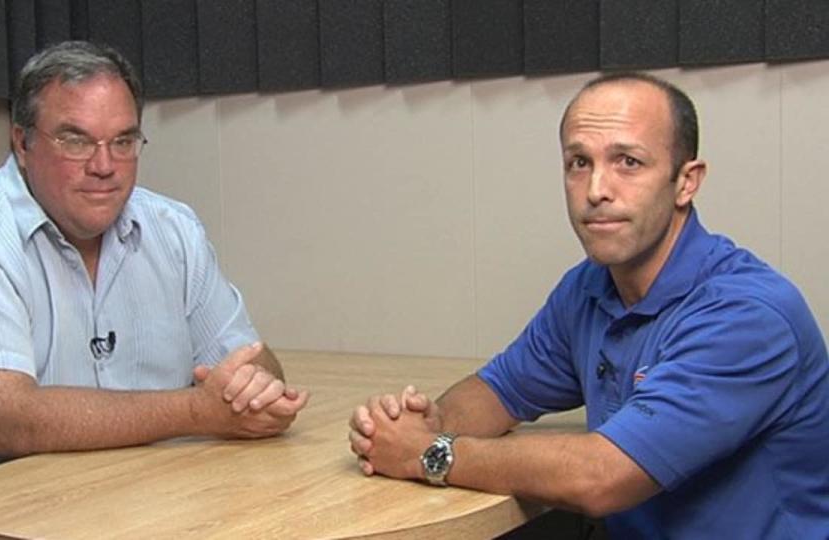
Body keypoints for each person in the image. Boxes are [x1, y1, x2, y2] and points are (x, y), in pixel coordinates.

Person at [348, 72, 829, 538]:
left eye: (629, 162)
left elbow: (601, 477)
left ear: (687, 182)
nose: (596, 190)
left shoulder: (747, 315)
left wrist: (428, 453)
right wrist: (429, 422)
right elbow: (501, 389)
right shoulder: (588, 289)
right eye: (579, 162)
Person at [0, 41, 309, 540]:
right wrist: (198, 411)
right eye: (75, 140)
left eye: (123, 141)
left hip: (133, 495)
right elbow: (8, 422)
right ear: (22, 142)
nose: (105, 165)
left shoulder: (172, 227)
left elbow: (250, 360)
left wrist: (253, 390)